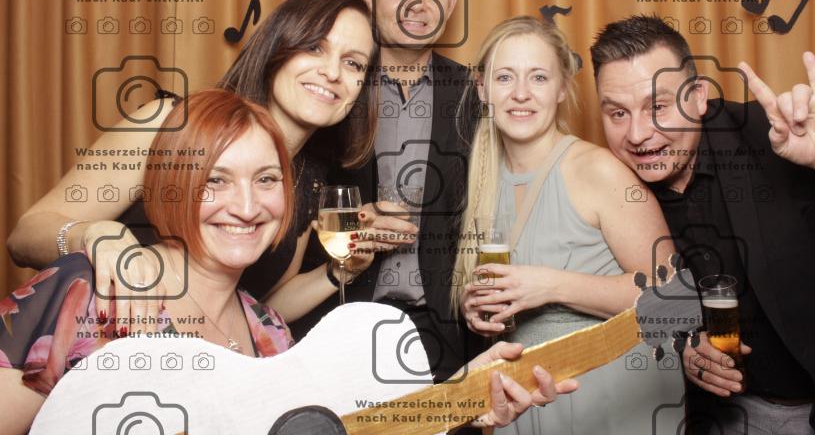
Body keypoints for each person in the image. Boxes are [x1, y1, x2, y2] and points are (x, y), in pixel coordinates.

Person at [0, 89, 580, 434]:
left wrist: (465, 398)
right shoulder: (88, 289)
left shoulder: (270, 333)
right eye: (216, 181)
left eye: (266, 180)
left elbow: (351, 427)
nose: (246, 206)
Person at [6, 0, 412, 332]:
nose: (333, 73)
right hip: (93, 349)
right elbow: (24, 237)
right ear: (278, 48)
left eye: (353, 63)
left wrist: (340, 270)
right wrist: (94, 236)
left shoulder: (308, 178)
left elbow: (260, 308)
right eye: (315, 47)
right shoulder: (171, 124)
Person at [590, 14, 815, 434]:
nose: (637, 134)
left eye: (658, 107)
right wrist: (684, 346)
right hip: (724, 415)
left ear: (699, 96)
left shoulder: (775, 134)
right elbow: (645, 303)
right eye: (618, 113)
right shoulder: (612, 188)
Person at [450, 16, 684, 434]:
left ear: (561, 88)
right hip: (526, 402)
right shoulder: (483, 180)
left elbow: (674, 299)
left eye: (539, 77)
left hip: (612, 401)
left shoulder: (597, 170)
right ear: (482, 88)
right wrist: (479, 308)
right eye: (505, 77)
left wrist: (551, 286)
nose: (521, 93)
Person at [290, 0, 481, 384]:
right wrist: (353, 228)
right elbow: (285, 201)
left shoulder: (477, 95)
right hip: (332, 323)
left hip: (445, 335)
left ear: (451, 2)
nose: (418, 2)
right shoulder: (328, 88)